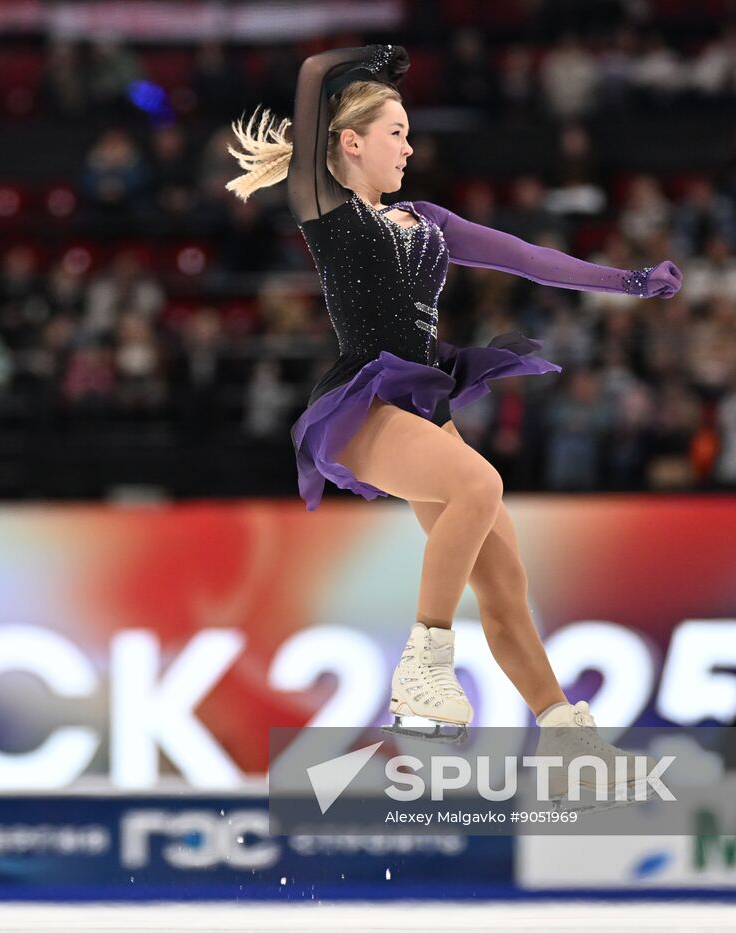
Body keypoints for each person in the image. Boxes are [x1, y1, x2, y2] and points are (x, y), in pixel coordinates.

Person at [225, 44, 681, 792]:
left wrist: (627, 281)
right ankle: (424, 664)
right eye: (397, 133)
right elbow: (312, 76)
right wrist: (361, 60)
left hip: (424, 408)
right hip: (366, 404)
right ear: (351, 142)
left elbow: (528, 258)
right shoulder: (329, 211)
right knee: (479, 484)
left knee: (504, 584)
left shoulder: (427, 220)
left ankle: (570, 745)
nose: (409, 147)